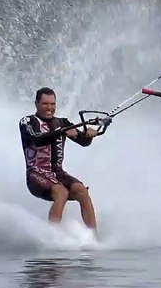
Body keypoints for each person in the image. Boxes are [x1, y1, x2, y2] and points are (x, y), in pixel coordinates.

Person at [19, 87, 107, 232]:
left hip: (57, 173)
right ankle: (53, 236)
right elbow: (36, 139)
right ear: (36, 104)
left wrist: (89, 135)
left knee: (81, 191)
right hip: (36, 174)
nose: (50, 108)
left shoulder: (62, 122)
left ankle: (93, 237)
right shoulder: (27, 121)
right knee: (61, 192)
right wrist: (60, 132)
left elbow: (83, 142)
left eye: (53, 104)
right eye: (45, 104)